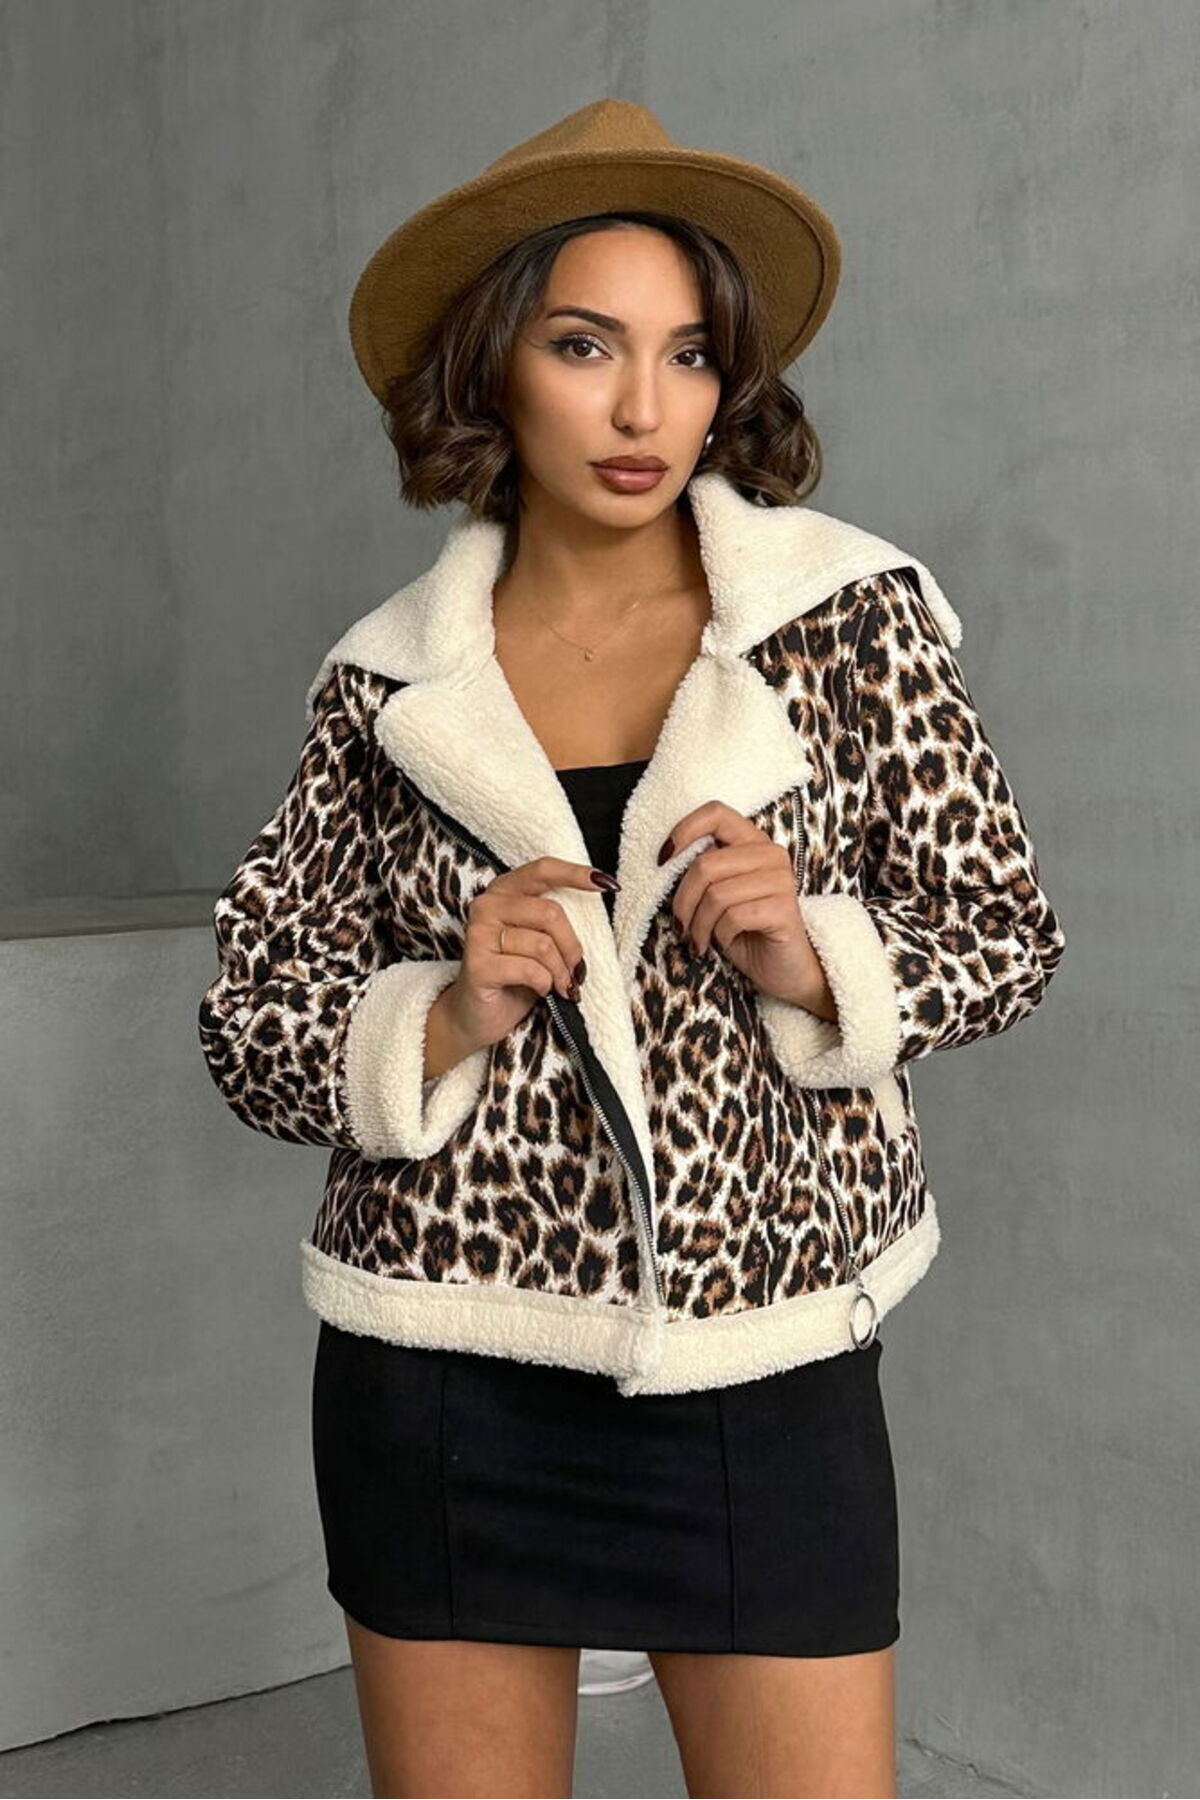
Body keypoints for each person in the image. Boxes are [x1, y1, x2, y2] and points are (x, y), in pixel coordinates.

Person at [198, 100, 1067, 1799]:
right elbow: (250, 1027)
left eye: (688, 354)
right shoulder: (386, 681)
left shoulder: (846, 619)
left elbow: (1003, 935)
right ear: (494, 365)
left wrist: (817, 961)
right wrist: (440, 1012)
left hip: (760, 1355)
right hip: (444, 1362)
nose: (644, 409)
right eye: (585, 345)